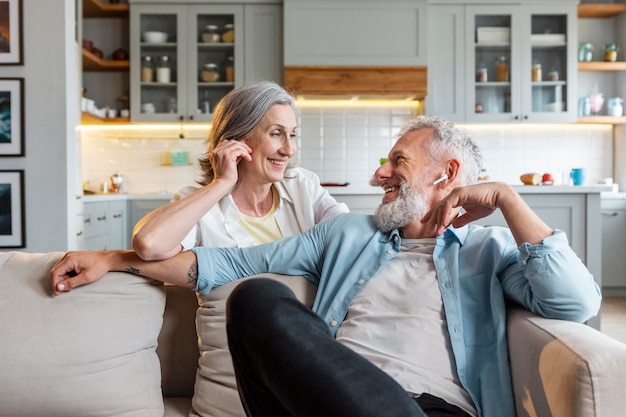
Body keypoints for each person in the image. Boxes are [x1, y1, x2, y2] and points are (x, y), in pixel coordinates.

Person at [51, 115, 601, 417]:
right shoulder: (346, 233)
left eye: (397, 162)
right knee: (256, 299)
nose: (380, 173)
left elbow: (575, 303)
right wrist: (115, 258)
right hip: (325, 401)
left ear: (445, 173)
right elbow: (224, 263)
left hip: (432, 410)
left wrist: (507, 198)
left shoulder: (489, 252)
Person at [131, 80, 348, 261]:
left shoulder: (302, 185)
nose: (289, 149)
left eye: (292, 134)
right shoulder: (200, 205)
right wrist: (222, 182)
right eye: (275, 134)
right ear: (236, 138)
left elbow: (349, 233)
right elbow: (148, 244)